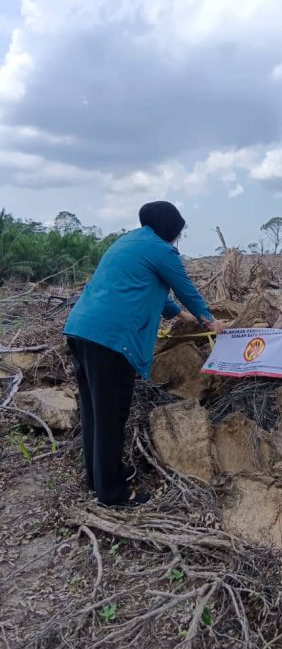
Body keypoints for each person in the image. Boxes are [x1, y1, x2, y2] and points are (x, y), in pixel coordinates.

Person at [64, 200, 223, 507]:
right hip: (111, 340)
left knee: (94, 411)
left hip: (81, 330)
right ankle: (112, 494)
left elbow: (147, 287)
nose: (178, 237)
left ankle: (97, 479)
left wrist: (178, 315)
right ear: (172, 227)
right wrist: (209, 320)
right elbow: (185, 287)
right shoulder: (162, 251)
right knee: (111, 415)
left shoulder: (128, 243)